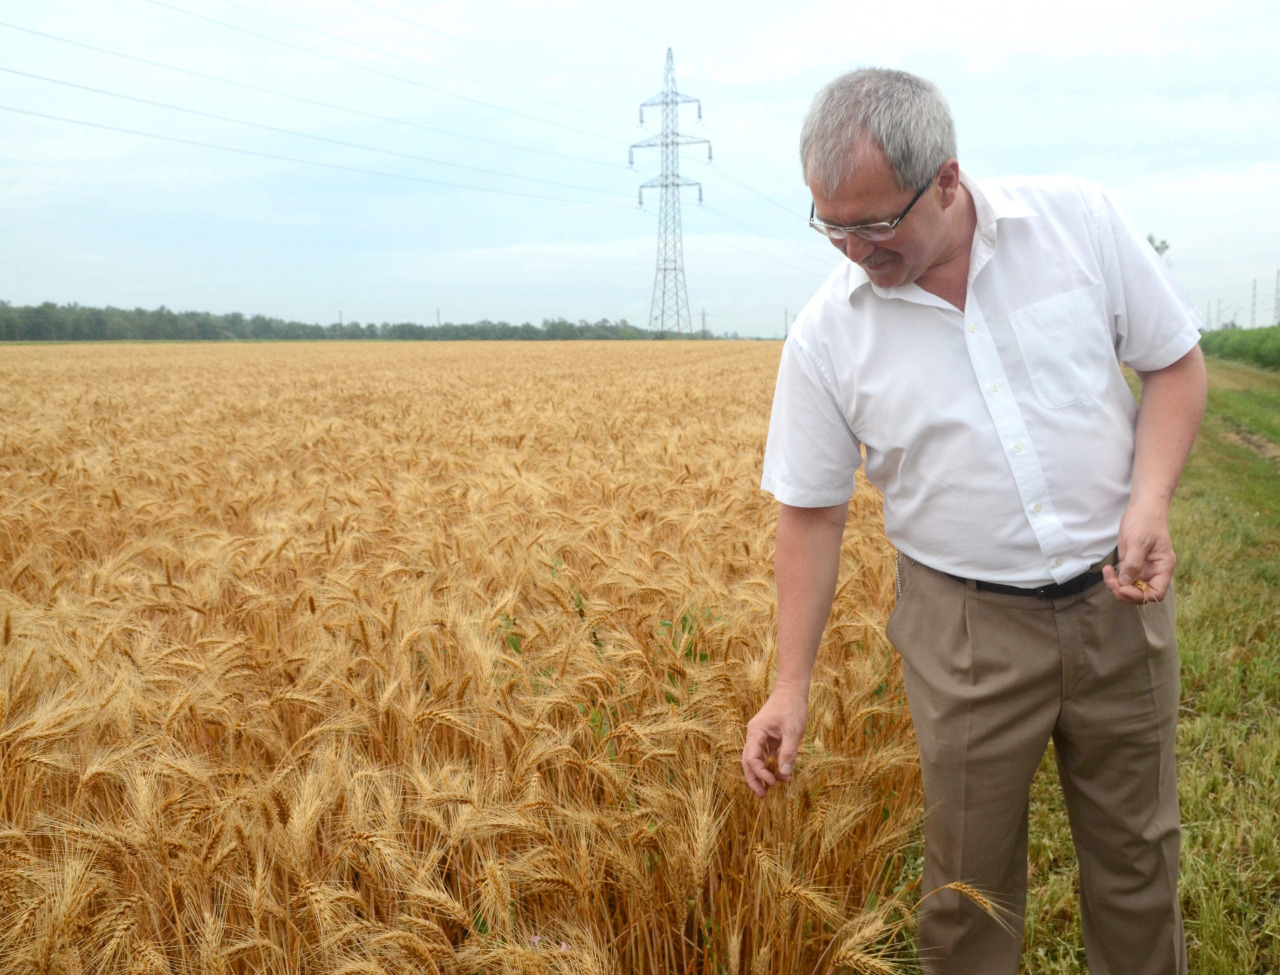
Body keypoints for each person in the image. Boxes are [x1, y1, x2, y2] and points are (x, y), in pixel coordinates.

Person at [740, 67, 1206, 975]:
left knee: (1139, 859)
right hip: (963, 630)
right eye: (830, 223)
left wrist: (1147, 501)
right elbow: (811, 516)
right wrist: (788, 685)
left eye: (875, 224)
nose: (852, 249)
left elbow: (1175, 363)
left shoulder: (1077, 223)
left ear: (947, 179)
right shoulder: (828, 333)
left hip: (1119, 603)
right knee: (965, 892)